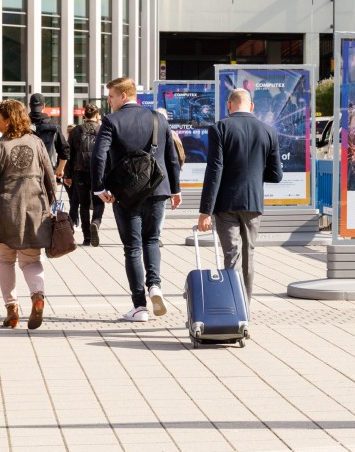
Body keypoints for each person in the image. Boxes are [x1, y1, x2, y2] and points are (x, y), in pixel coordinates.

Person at [92, 77, 183, 322]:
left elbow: (98, 156)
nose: (108, 101)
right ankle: (155, 285)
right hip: (157, 188)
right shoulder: (158, 119)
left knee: (132, 247)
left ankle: (139, 306)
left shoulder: (111, 121)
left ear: (123, 96)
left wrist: (99, 188)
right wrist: (175, 190)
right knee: (152, 240)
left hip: (126, 192)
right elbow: (171, 157)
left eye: (110, 96)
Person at [0, 100, 58, 330]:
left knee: (4, 260)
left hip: (4, 212)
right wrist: (52, 204)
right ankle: (37, 296)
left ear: (7, 121)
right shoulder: (36, 143)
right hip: (34, 210)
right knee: (31, 260)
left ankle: (12, 308)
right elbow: (50, 177)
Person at [198, 88, 283, 303]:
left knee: (231, 254)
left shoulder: (220, 128)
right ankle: (246, 308)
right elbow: (276, 175)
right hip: (254, 202)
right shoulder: (268, 131)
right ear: (251, 106)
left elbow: (214, 170)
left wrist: (205, 211)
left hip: (225, 203)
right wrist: (254, 176)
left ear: (229, 105)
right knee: (248, 255)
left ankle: (233, 307)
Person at [65, 102, 105, 247]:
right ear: (97, 115)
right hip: (98, 172)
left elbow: (69, 154)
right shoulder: (102, 129)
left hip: (79, 172)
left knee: (83, 204)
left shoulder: (76, 130)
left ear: (84, 116)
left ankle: (87, 236)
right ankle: (96, 222)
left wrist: (67, 175)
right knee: (99, 201)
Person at [28, 92, 69, 182]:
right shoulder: (53, 124)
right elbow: (64, 149)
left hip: (26, 172)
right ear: (44, 106)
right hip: (48, 170)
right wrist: (60, 169)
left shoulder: (21, 124)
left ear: (30, 105)